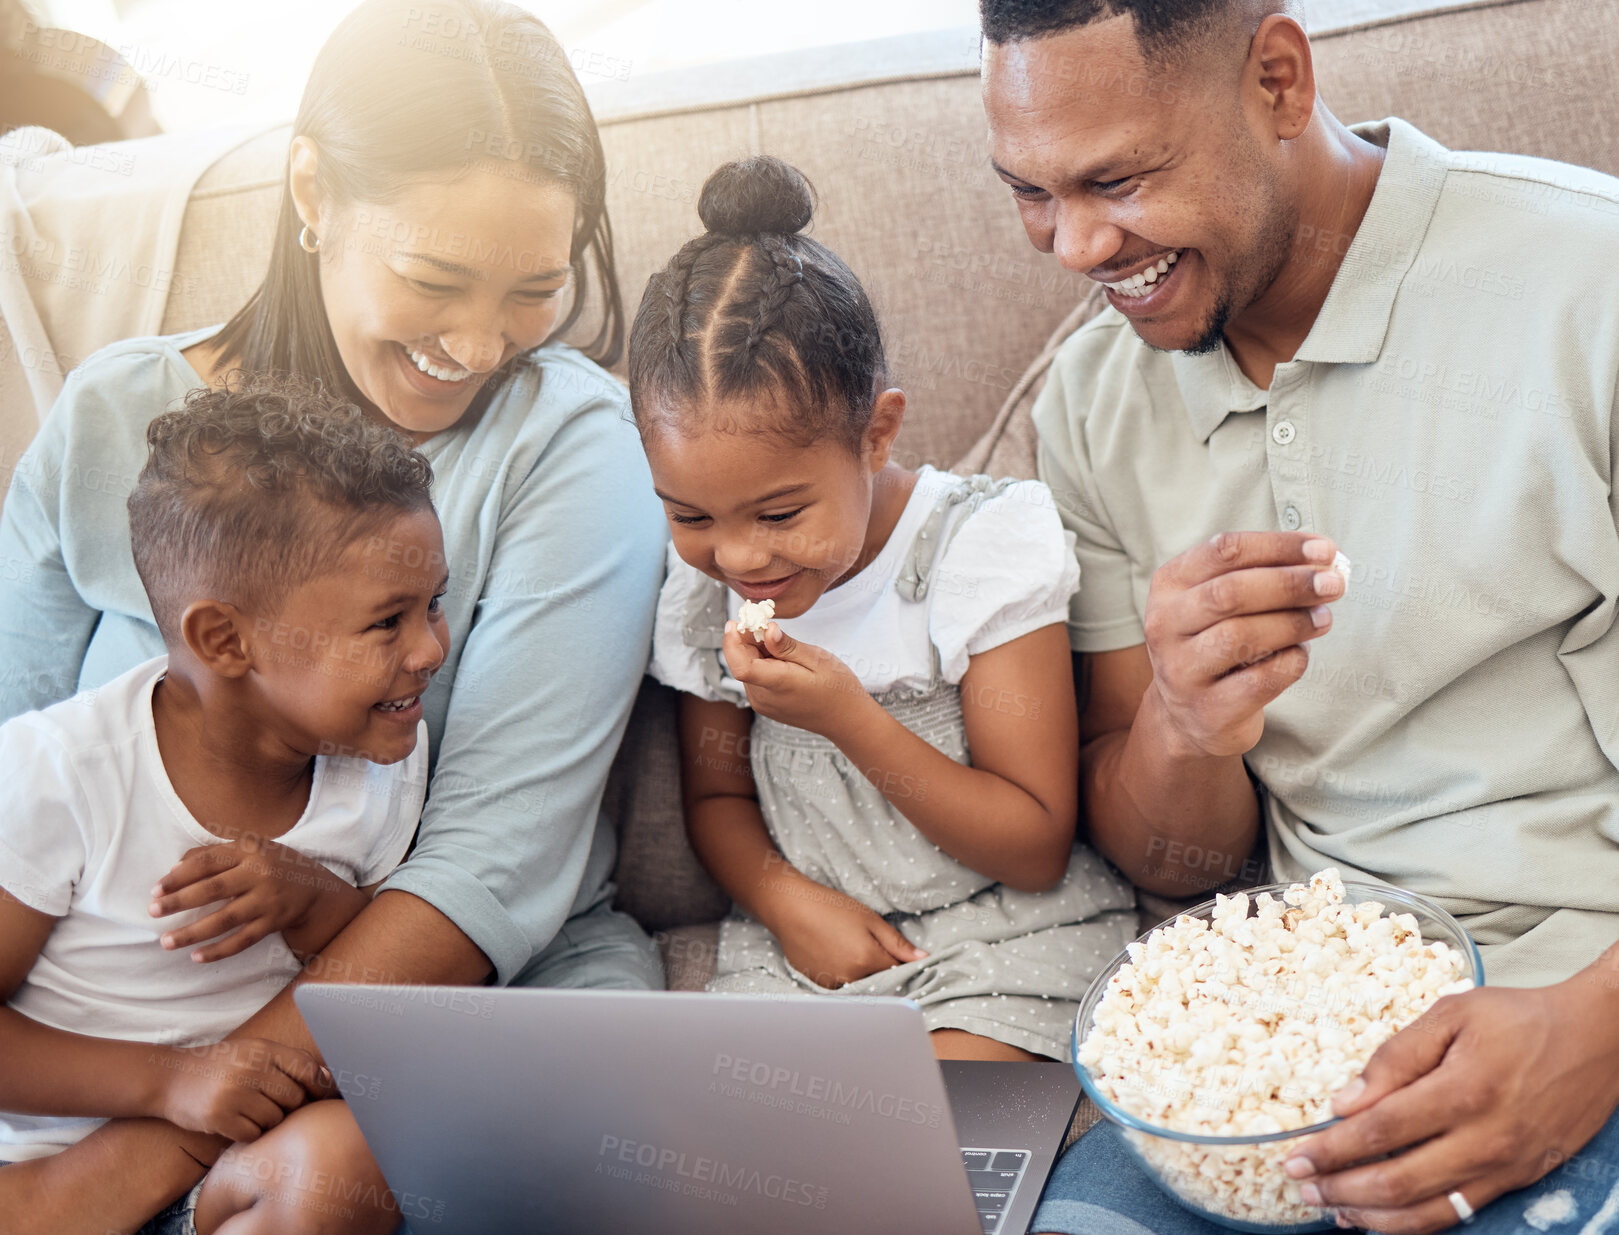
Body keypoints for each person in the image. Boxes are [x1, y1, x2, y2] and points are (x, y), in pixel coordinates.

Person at [0, 2, 667, 1230]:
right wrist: (145, 1083)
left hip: (440, 1000)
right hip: (113, 1038)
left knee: (332, 1179)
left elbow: (487, 869)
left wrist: (133, 1156)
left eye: (534, 287)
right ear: (313, 188)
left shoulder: (566, 443)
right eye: (432, 279)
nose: (479, 343)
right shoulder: (115, 423)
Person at [973, 0, 1619, 1231]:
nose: (1071, 245)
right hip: (1272, 1054)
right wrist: (1177, 720)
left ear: (1275, 79)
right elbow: (1175, 867)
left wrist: (1589, 1035)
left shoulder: (1584, 288)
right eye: (1027, 191)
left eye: (1114, 177)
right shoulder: (1094, 402)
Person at [631, 155, 1138, 1064]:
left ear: (877, 432)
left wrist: (848, 719)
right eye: (690, 515)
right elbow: (714, 792)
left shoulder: (979, 550)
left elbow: (1032, 846)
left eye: (781, 513)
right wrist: (783, 900)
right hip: (806, 951)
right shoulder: (704, 590)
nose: (741, 557)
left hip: (998, 939)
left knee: (929, 1139)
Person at [1, 383, 447, 1232]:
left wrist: (319, 903)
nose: (430, 649)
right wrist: (169, 1081)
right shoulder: (64, 773)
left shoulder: (382, 755)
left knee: (349, 1161)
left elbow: (374, 980)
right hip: (45, 1170)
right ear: (224, 641)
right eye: (387, 622)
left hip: (232, 1172)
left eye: (436, 604)